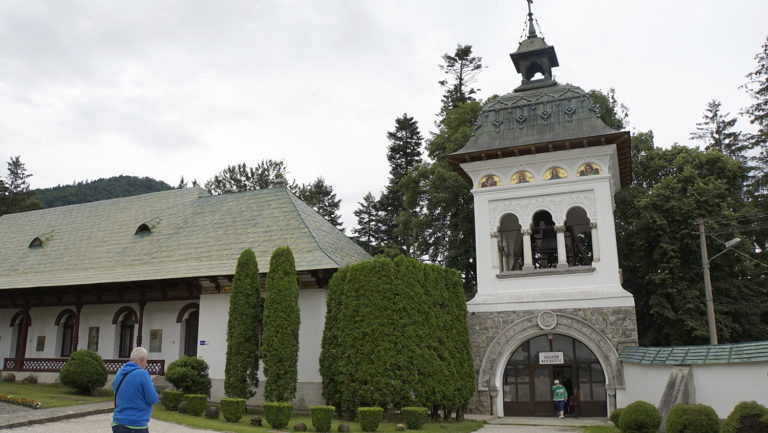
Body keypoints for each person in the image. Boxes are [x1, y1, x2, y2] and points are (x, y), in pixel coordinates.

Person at [112, 347, 159, 433]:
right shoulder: (142, 374)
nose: (146, 364)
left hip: (117, 423)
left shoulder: (119, 373)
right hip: (136, 425)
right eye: (146, 361)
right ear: (142, 360)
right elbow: (153, 399)